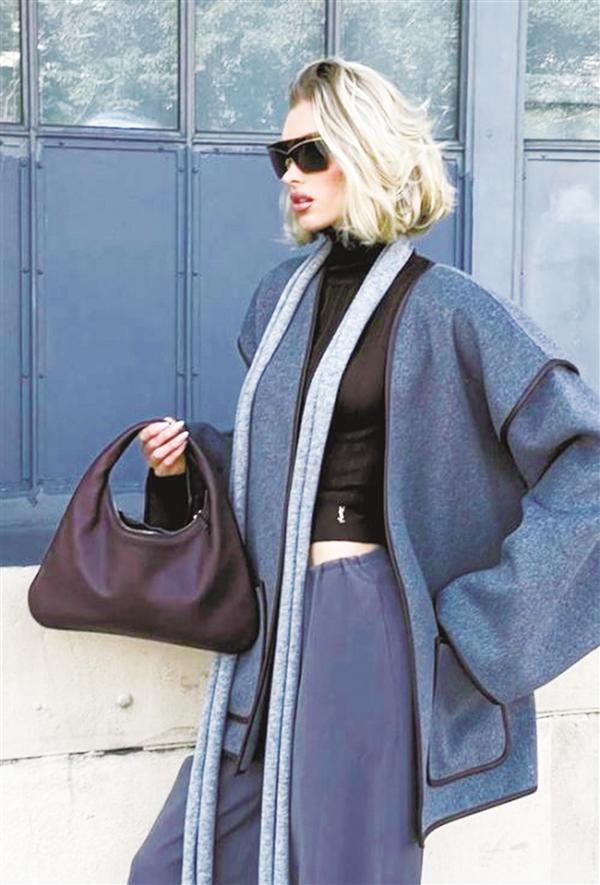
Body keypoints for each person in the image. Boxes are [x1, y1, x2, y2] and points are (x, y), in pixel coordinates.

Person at [127, 57, 599, 885]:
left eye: (311, 153)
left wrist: (483, 625)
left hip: (364, 621)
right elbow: (281, 463)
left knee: (346, 866)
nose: (291, 175)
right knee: (172, 866)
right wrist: (182, 465)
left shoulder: (450, 307)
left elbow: (585, 462)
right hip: (272, 629)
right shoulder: (280, 302)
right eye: (282, 157)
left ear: (369, 150)